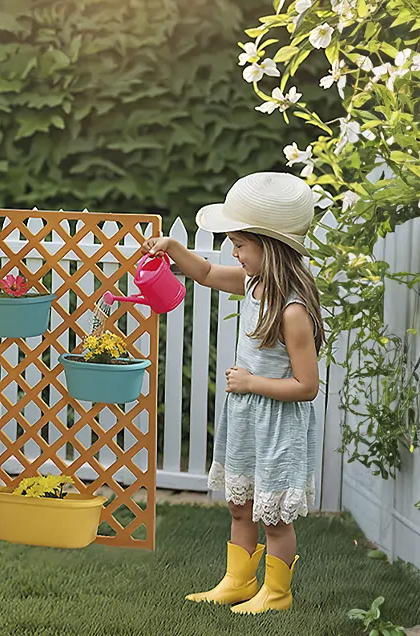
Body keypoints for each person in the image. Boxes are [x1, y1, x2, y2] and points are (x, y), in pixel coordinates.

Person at [141, 172, 325, 615]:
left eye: (241, 244)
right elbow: (203, 273)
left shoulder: (293, 309)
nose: (234, 252)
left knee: (275, 517)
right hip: (245, 415)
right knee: (240, 506)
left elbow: (307, 387)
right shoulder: (255, 284)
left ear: (270, 246)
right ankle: (239, 581)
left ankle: (277, 594)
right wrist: (173, 249)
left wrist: (251, 383)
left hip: (277, 421)